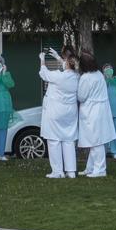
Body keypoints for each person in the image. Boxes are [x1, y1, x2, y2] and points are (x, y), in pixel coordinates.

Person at [38, 48, 79, 179]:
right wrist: (57, 57)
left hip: (55, 112)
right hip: (70, 113)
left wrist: (42, 60)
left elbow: (44, 74)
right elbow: (68, 67)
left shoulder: (58, 76)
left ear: (67, 63)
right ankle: (71, 171)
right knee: (68, 140)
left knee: (54, 141)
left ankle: (57, 171)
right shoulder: (76, 77)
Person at [76, 52, 116, 178]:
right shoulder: (99, 74)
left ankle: (100, 170)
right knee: (95, 141)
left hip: (92, 111)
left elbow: (81, 97)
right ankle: (91, 168)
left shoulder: (85, 78)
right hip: (101, 110)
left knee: (96, 142)